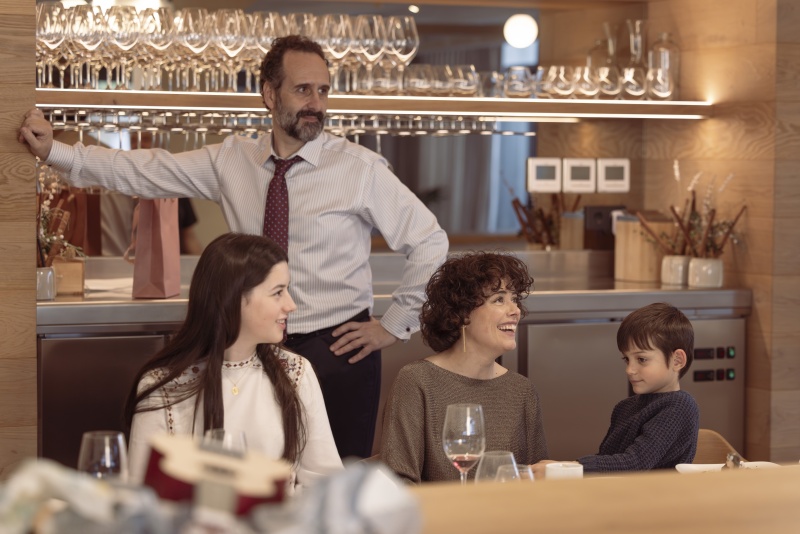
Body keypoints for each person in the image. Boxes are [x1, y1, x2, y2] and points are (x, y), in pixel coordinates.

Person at [19, 35, 448, 459]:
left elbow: (429, 240)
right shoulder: (232, 160)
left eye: (323, 90)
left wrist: (393, 325)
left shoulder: (360, 169)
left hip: (336, 350)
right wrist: (55, 151)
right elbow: (143, 171)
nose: (316, 103)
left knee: (336, 483)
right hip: (255, 347)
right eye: (302, 89)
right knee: (254, 472)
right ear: (269, 94)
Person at [124, 233, 343, 489]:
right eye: (278, 292)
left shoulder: (295, 372)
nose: (291, 305)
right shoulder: (163, 386)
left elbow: (325, 483)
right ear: (234, 297)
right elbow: (141, 496)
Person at [379, 251, 549, 484]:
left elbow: (537, 481)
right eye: (499, 299)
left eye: (515, 299)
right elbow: (397, 483)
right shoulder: (417, 381)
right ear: (462, 314)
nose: (515, 310)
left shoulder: (522, 391)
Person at [533, 302, 699, 477]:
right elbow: (608, 462)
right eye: (627, 359)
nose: (630, 369)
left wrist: (566, 468)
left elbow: (635, 463)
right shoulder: (624, 407)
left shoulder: (679, 406)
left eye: (642, 359)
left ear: (677, 361)